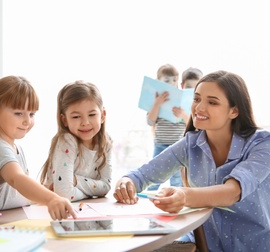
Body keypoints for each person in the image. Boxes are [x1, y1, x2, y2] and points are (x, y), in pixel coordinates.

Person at [114, 71, 270, 251]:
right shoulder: (190, 143)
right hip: (206, 243)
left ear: (234, 111)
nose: (199, 108)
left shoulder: (262, 143)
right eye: (196, 99)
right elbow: (141, 175)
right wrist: (126, 183)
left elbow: (232, 192)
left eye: (212, 102)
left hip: (254, 245)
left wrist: (184, 195)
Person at [0, 76, 76, 220]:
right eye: (18, 113)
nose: (27, 121)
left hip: (9, 224)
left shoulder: (16, 148)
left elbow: (17, 194)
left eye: (31, 114)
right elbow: (17, 179)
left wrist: (44, 190)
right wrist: (51, 199)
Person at [39, 80, 113, 201]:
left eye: (92, 115)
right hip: (59, 211)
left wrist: (75, 181)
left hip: (85, 210)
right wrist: (92, 194)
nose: (85, 123)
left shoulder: (106, 141)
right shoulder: (67, 141)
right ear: (64, 120)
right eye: (76, 117)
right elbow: (64, 194)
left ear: (103, 115)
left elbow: (106, 186)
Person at [146, 64, 185, 190]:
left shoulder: (182, 100)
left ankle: (177, 197)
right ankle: (148, 198)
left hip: (178, 145)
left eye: (174, 80)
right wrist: (157, 103)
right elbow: (150, 121)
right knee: (155, 172)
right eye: (167, 81)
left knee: (177, 177)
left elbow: (191, 122)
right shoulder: (154, 100)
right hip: (160, 144)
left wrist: (182, 114)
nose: (172, 83)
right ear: (159, 82)